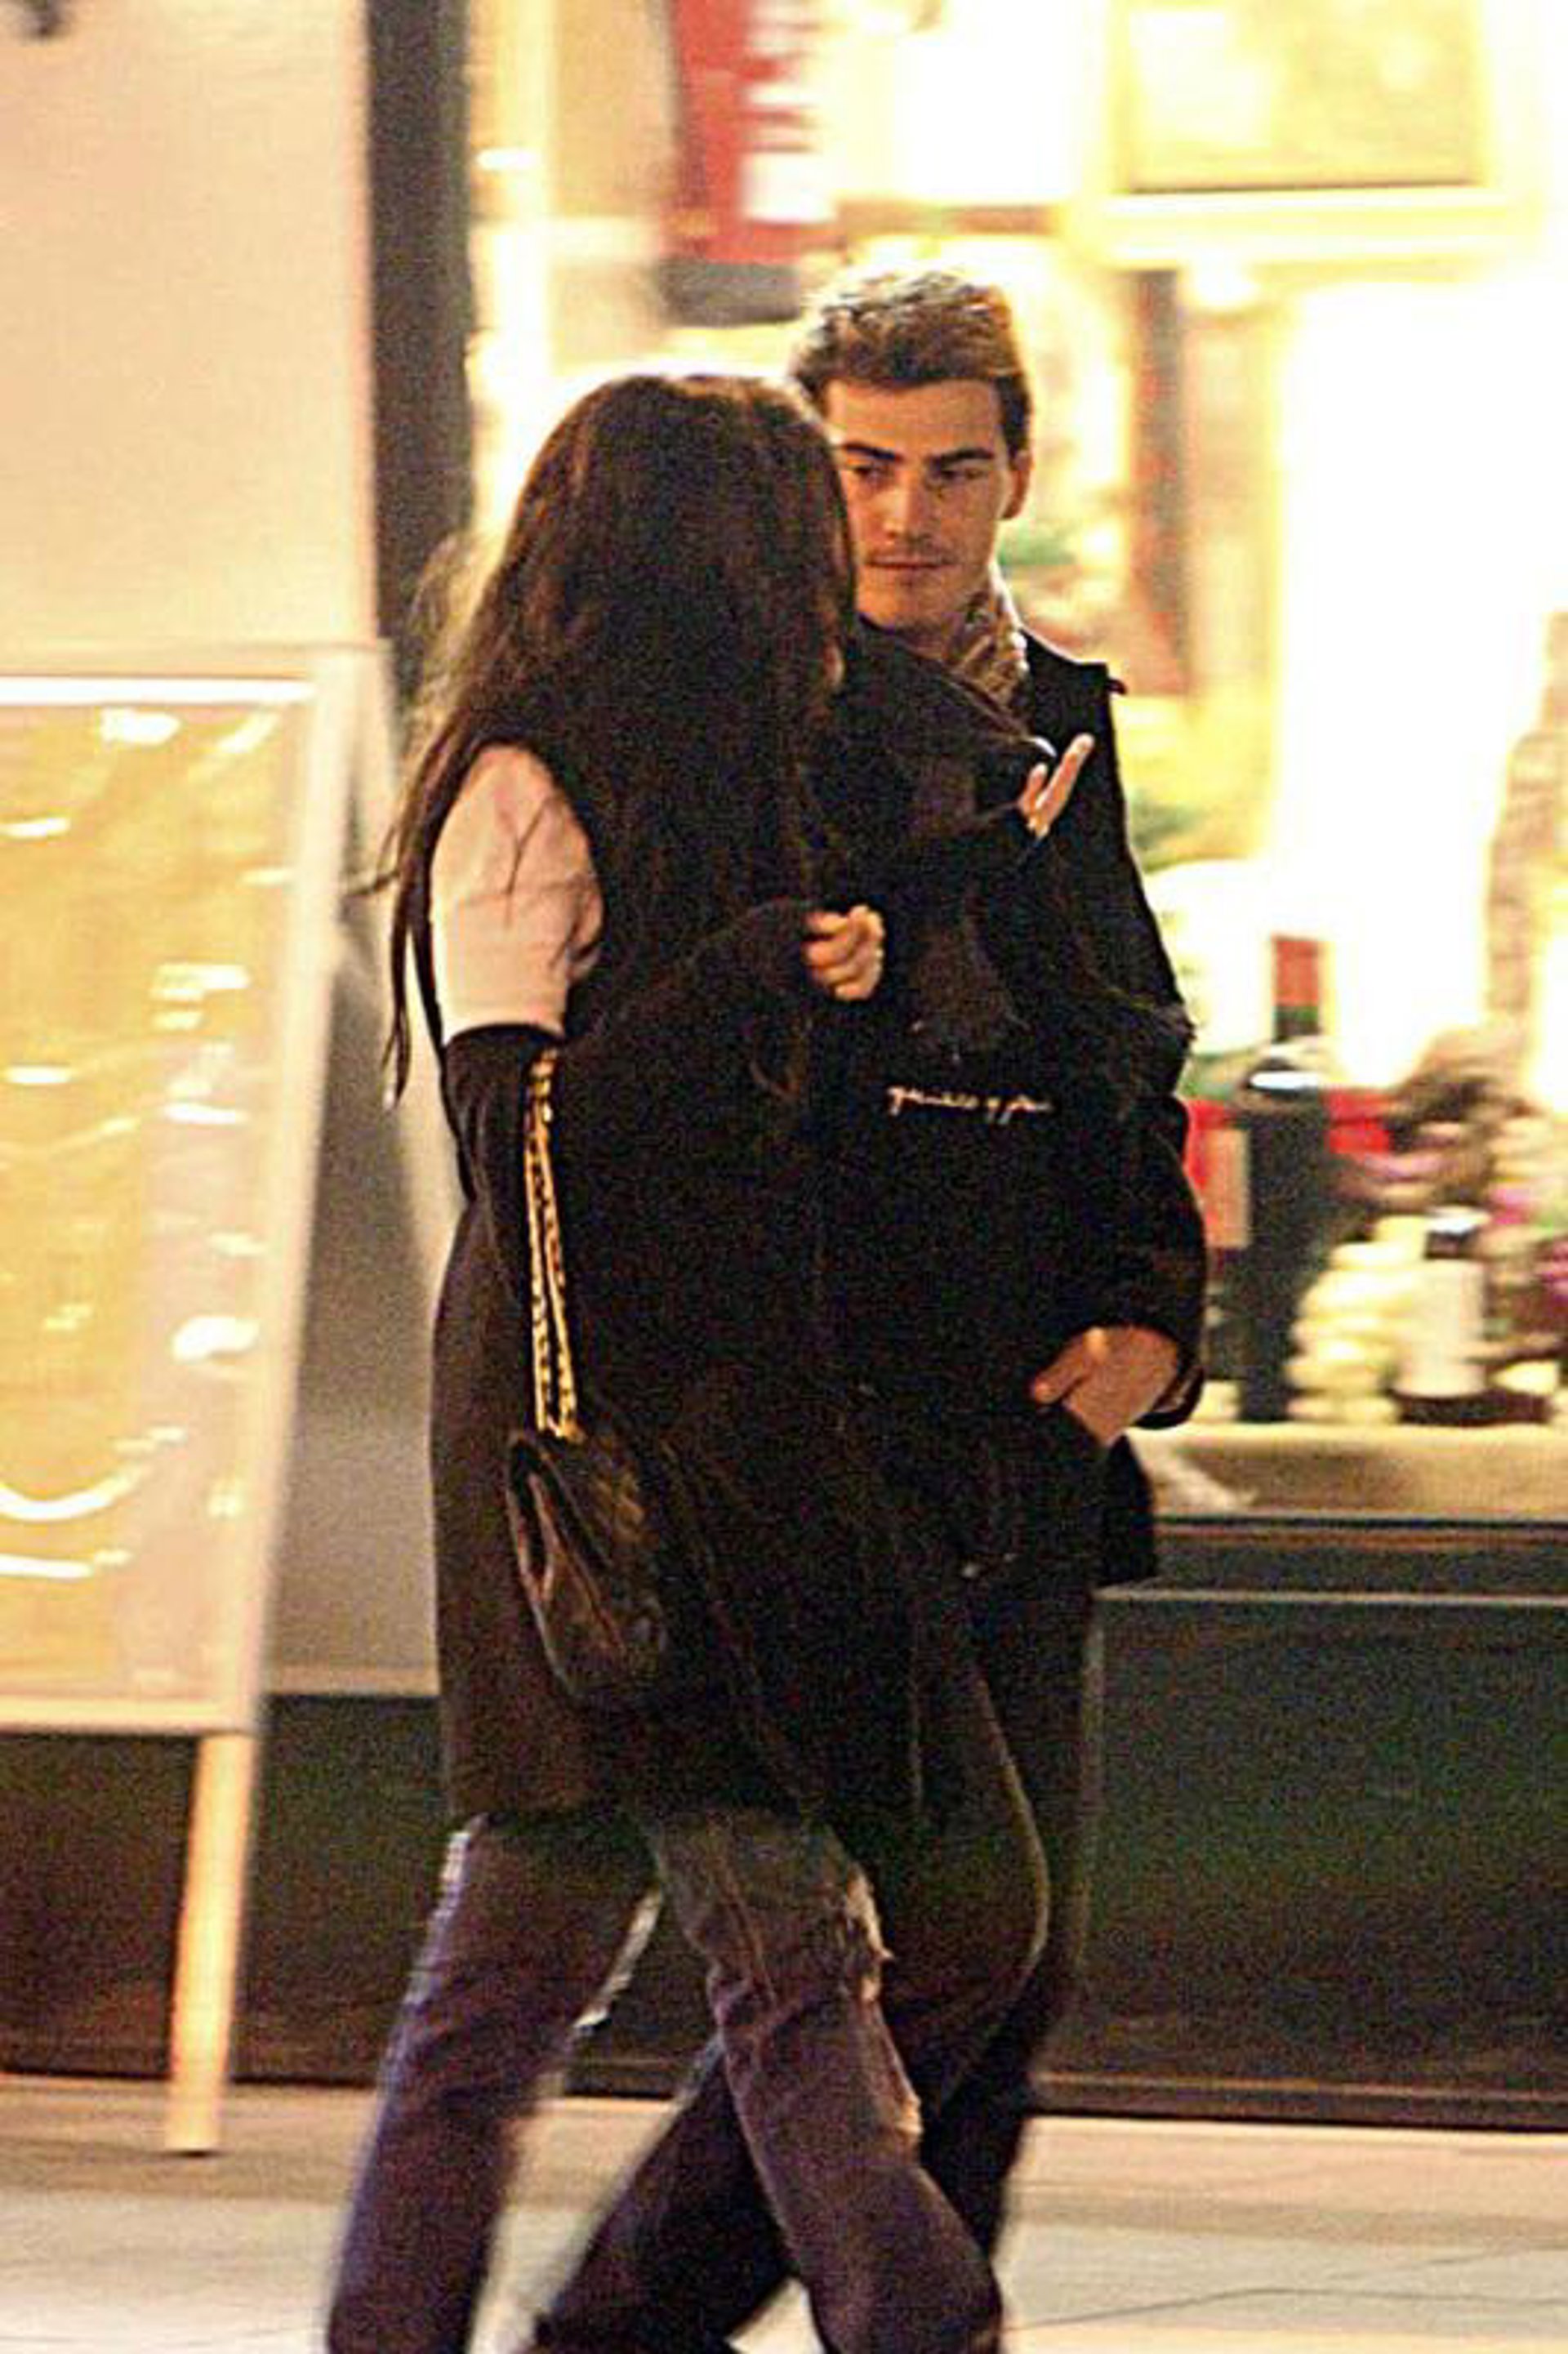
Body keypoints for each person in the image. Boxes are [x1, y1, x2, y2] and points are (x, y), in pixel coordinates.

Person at [323, 369, 1066, 2354]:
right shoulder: (521, 786)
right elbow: (517, 1138)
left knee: (529, 1968)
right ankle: (918, 2317)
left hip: (734, 1423)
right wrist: (741, 973)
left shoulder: (734, 773)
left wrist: (868, 907)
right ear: (700, 563)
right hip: (595, 1442)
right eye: (794, 531)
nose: (838, 565)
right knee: (776, 1935)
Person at [531, 269, 1207, 2352]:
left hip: (1035, 1409)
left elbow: (1130, 1042)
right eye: (864, 467)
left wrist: (1155, 1317)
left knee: (1011, 1968)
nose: (909, 515)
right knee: (901, 1949)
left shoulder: (1062, 714)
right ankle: (624, 2327)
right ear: (802, 473)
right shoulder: (743, 715)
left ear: (1018, 475)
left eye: (955, 470)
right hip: (816, 1406)